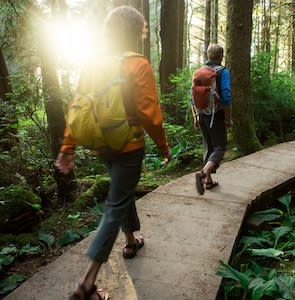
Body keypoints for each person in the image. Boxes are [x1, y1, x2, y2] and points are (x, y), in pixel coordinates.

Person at [55, 6, 170, 300]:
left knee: (122, 192)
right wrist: (163, 145)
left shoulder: (93, 63)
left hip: (101, 145)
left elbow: (77, 105)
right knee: (115, 205)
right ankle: (87, 283)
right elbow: (149, 114)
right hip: (129, 145)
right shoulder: (138, 64)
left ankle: (131, 241)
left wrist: (68, 146)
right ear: (137, 32)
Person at [194, 44, 233, 195]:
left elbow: (192, 97)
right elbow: (226, 95)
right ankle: (203, 173)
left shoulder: (199, 72)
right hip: (215, 115)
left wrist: (196, 116)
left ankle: (208, 182)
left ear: (208, 55)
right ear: (221, 56)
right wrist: (228, 118)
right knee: (220, 147)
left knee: (208, 146)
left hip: (202, 114)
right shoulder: (222, 71)